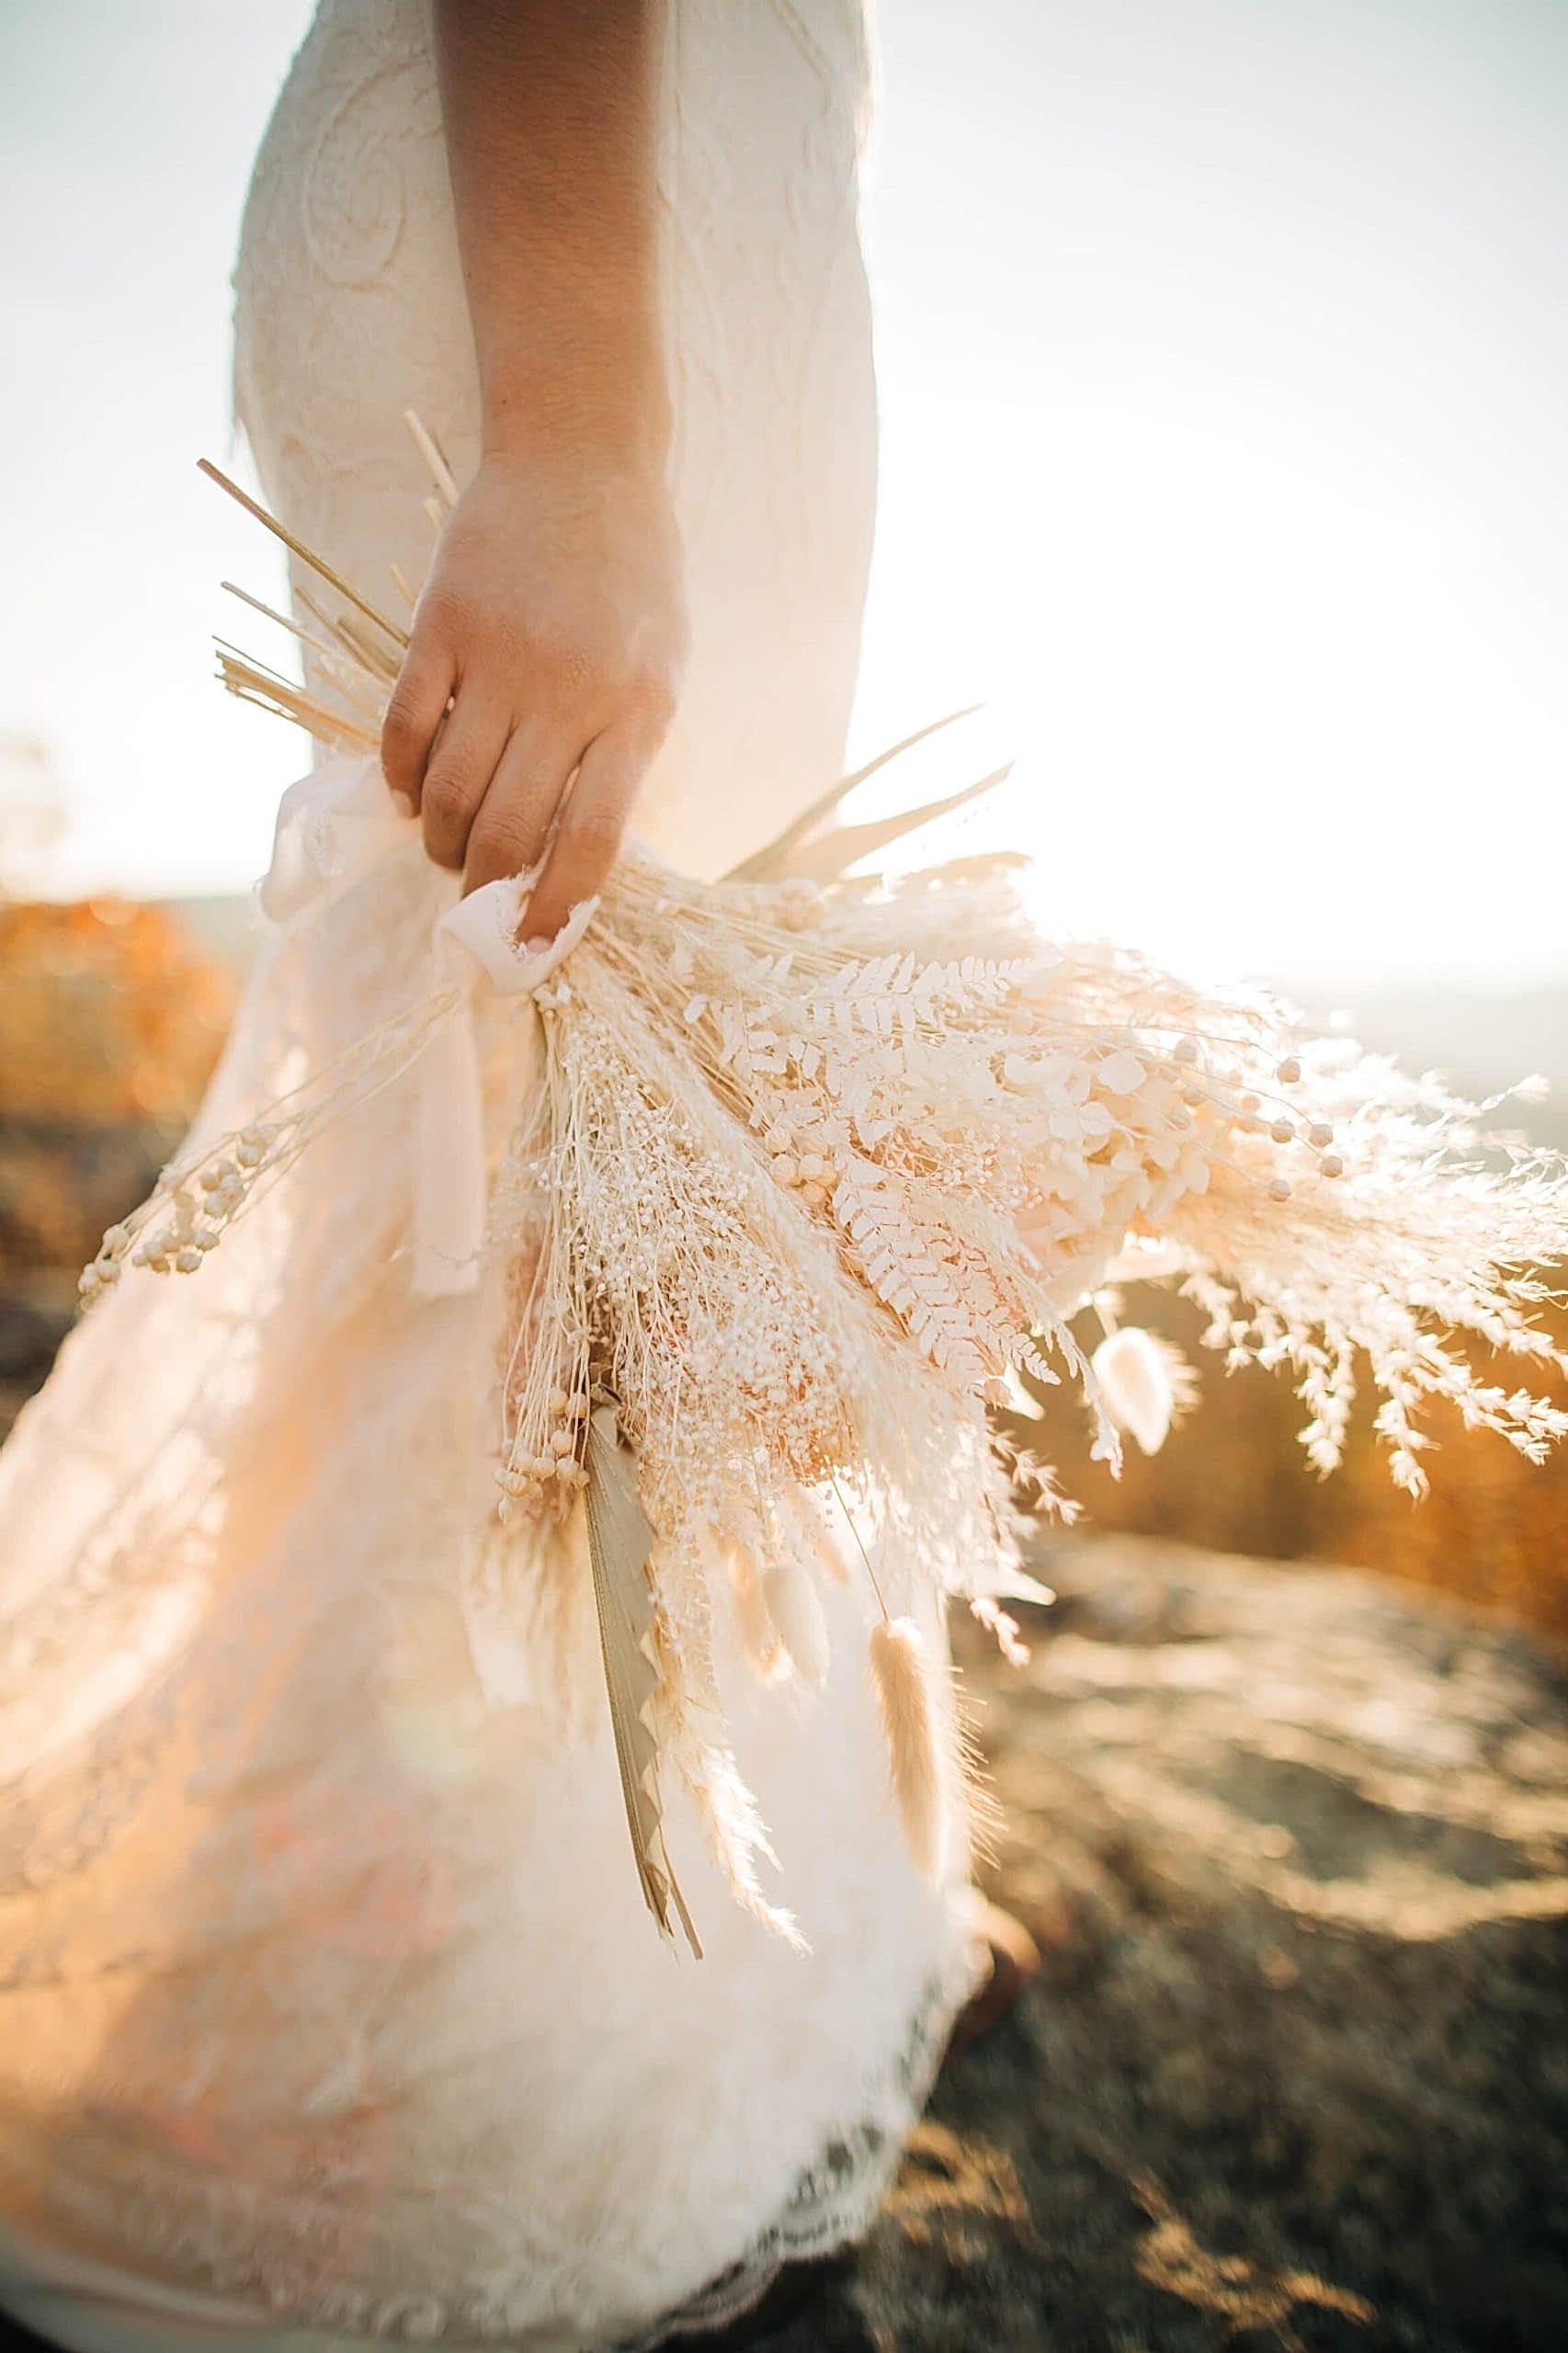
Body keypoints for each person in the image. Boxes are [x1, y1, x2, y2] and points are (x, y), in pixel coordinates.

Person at [0, 5, 1032, 2347]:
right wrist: (576, 434)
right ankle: (349, 2116)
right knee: (521, 1111)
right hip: (564, 258)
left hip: (662, 223)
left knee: (649, 1139)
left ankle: (727, 1936)